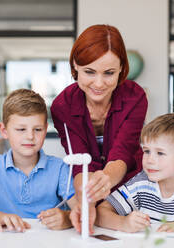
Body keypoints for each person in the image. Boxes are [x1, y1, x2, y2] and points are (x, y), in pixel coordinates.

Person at [50, 24, 148, 233]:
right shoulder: (62, 106)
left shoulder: (135, 97)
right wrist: (86, 202)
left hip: (132, 186)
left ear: (122, 68)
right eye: (89, 72)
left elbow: (123, 152)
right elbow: (79, 161)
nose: (99, 83)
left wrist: (105, 181)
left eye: (109, 73)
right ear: (75, 66)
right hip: (88, 189)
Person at [0, 89, 77, 232]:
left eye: (37, 129)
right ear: (4, 130)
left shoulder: (60, 168)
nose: (30, 136)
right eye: (21, 129)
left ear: (46, 130)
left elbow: (83, 211)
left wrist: (67, 218)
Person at [96, 113, 174, 233]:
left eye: (160, 153)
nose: (149, 160)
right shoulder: (139, 185)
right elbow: (100, 212)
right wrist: (123, 223)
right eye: (147, 151)